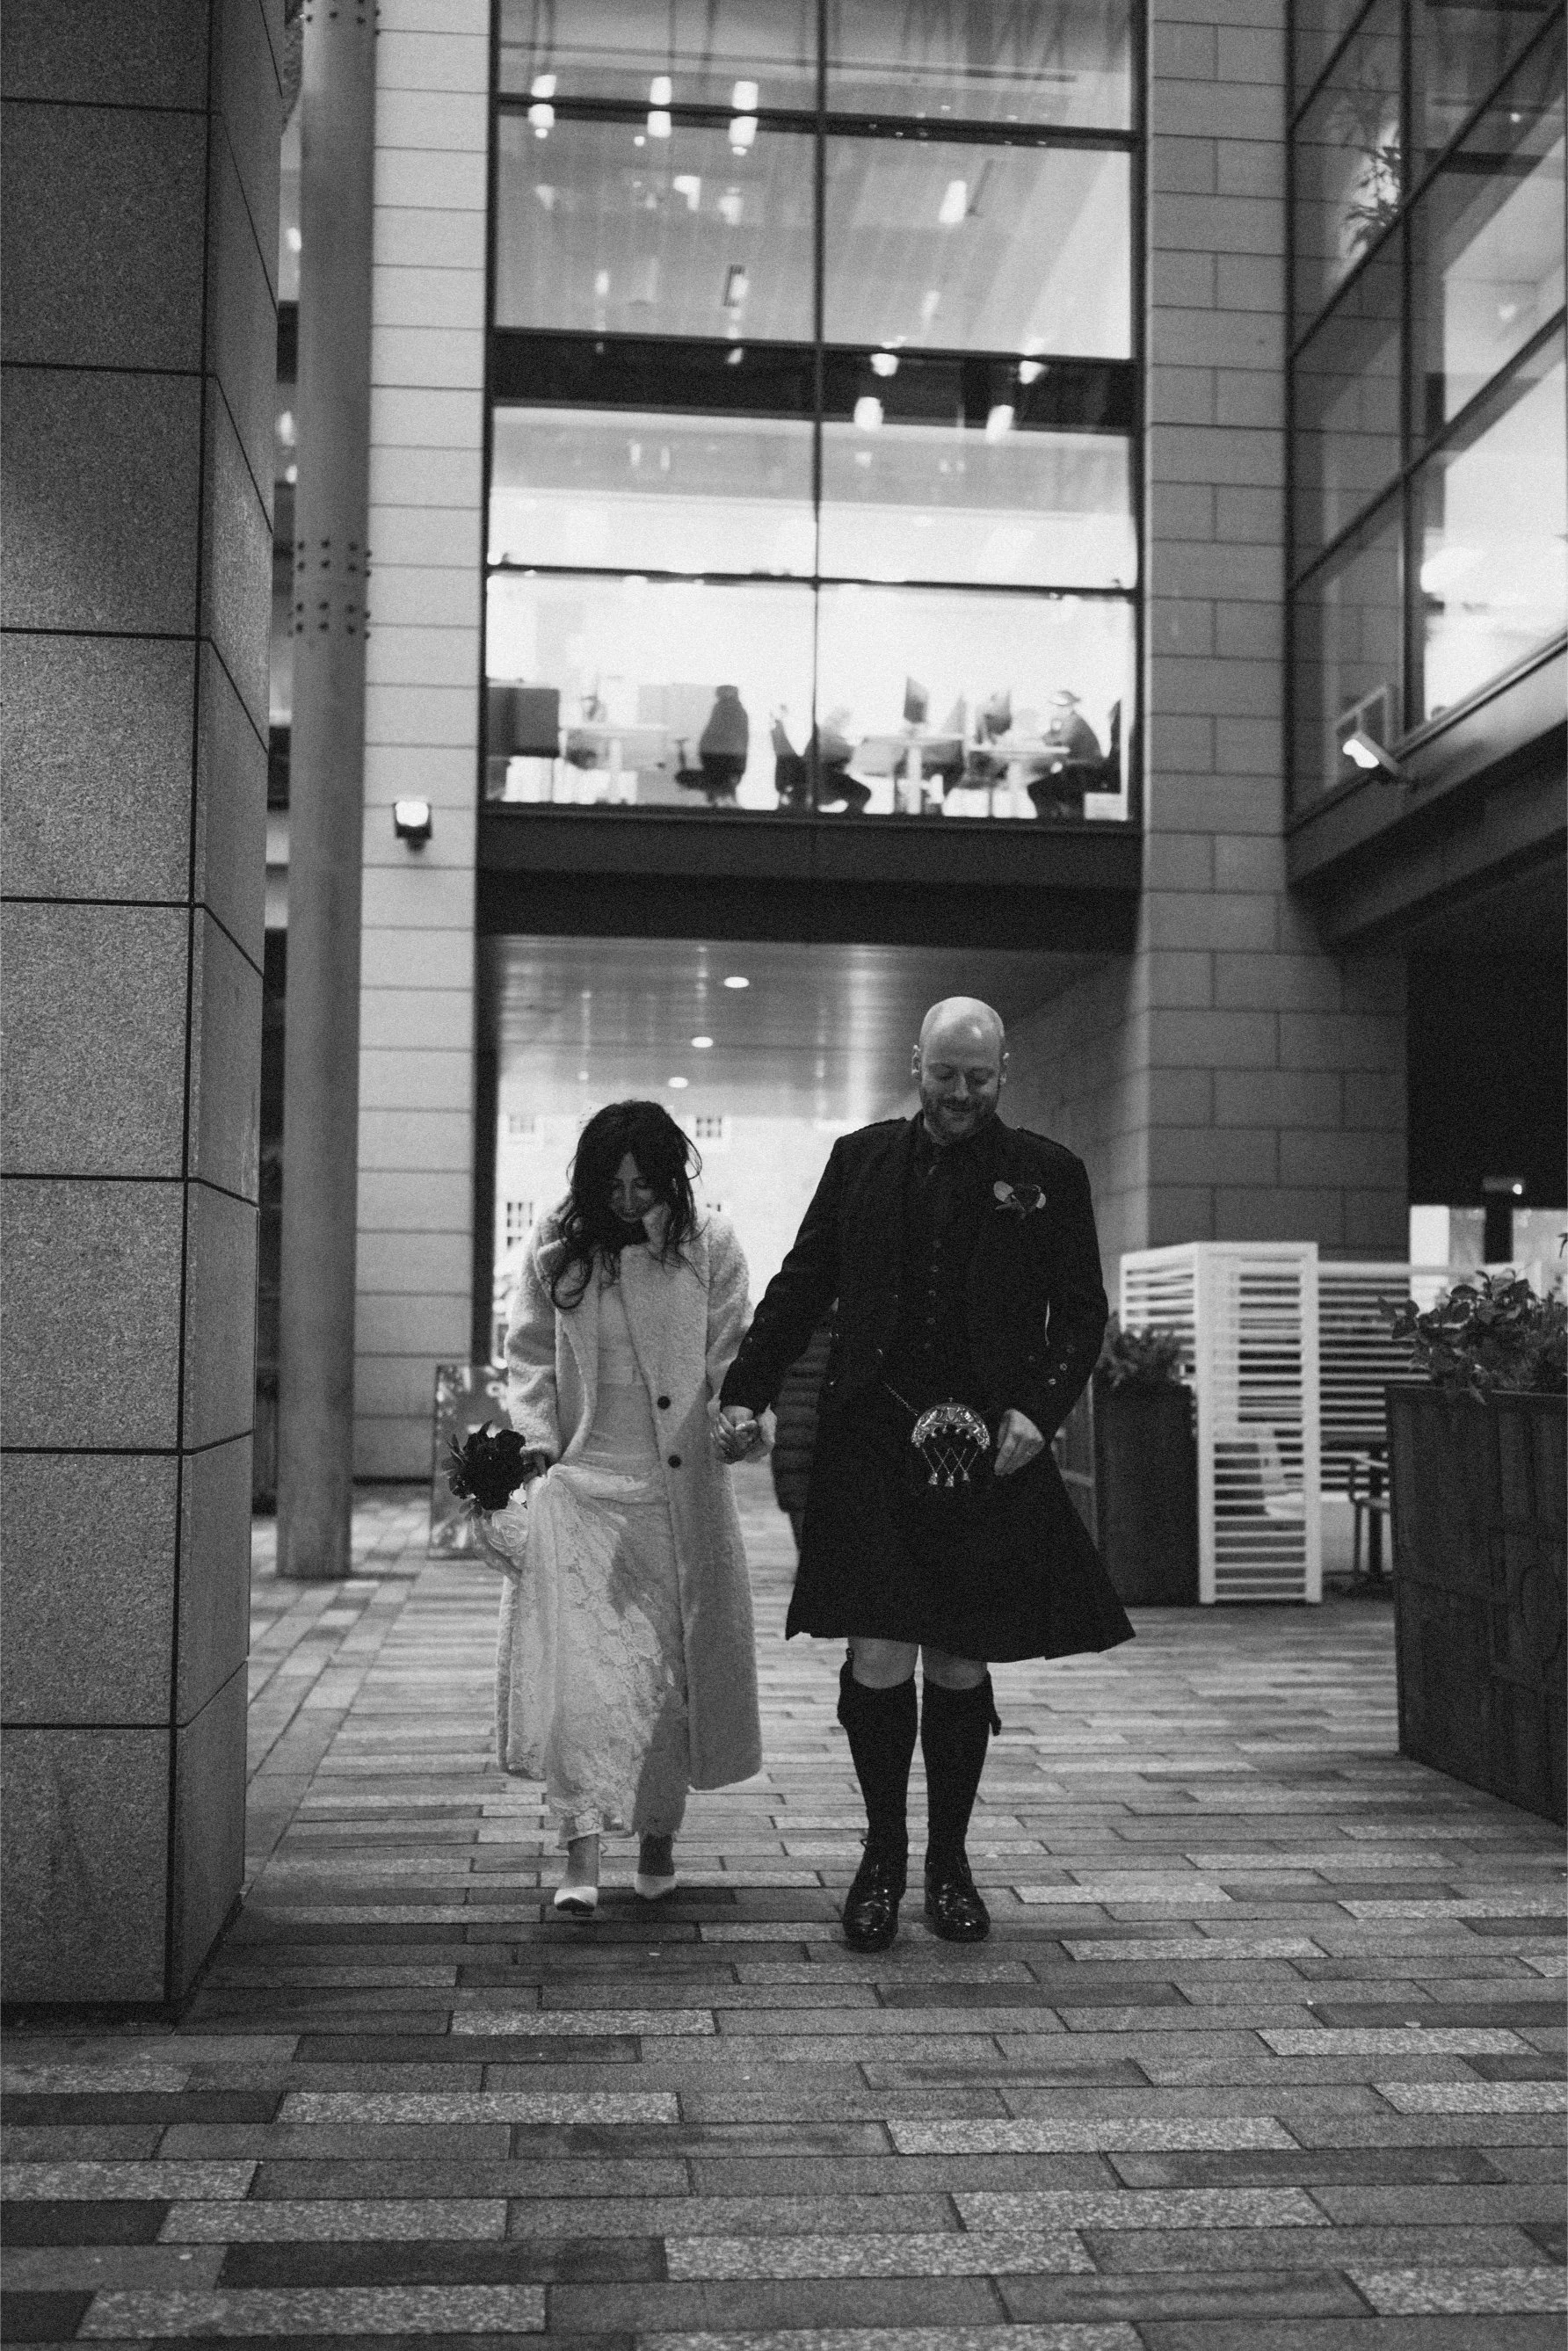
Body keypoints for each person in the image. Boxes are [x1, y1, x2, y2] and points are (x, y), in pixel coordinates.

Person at [715, 999, 1132, 1951]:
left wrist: (1038, 1409)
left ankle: (949, 1862)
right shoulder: (858, 1160)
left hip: (989, 1445)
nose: (957, 1093)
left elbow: (1079, 1311)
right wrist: (745, 1389)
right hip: (871, 1436)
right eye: (943, 1073)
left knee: (956, 1655)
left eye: (976, 1077)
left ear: (1003, 1070)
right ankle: (881, 1858)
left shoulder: (1047, 1173)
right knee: (875, 1654)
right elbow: (801, 1281)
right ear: (916, 1062)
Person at [502, 1100, 764, 1914]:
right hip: (583, 1489)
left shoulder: (707, 1244)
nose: (625, 1198)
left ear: (668, 1175)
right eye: (610, 1183)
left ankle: (658, 1840)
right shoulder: (557, 1242)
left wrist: (745, 1418)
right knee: (582, 1683)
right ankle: (578, 1855)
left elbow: (734, 1356)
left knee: (663, 1683)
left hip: (674, 1498)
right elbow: (529, 1356)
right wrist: (534, 1441)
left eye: (641, 1183)